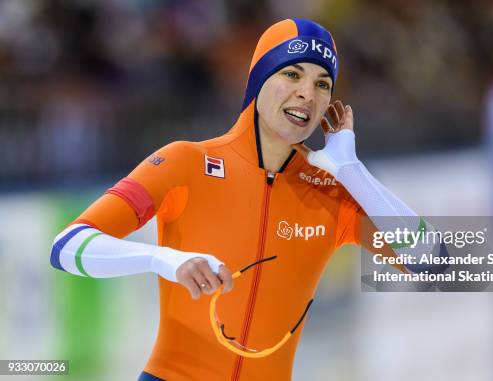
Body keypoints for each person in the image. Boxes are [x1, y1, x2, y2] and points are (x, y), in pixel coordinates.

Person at [49, 19, 425, 381]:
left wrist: (352, 171)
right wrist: (161, 259)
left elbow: (437, 262)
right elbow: (66, 246)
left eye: (322, 83)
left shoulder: (331, 192)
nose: (307, 94)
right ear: (259, 78)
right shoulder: (185, 163)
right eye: (291, 74)